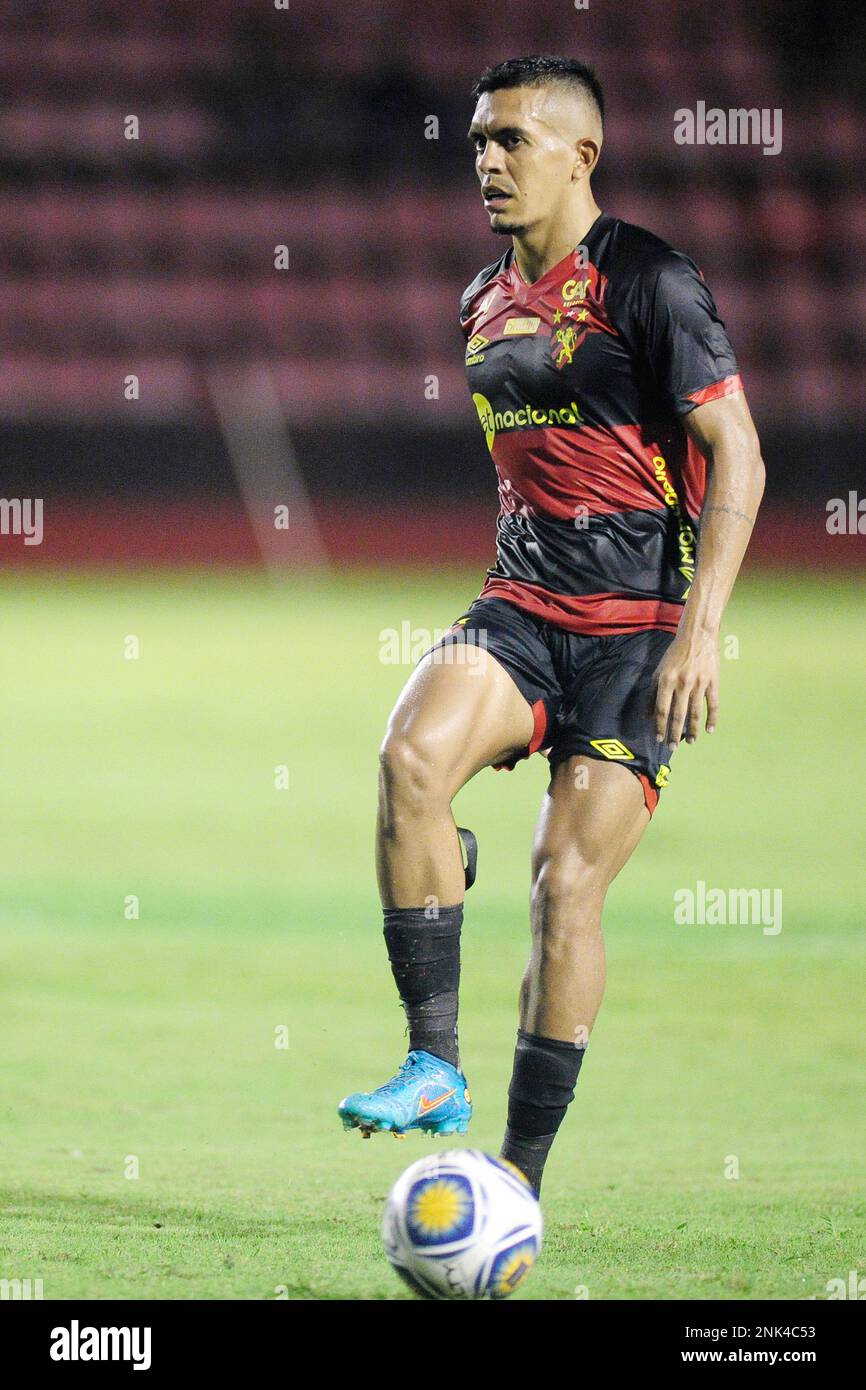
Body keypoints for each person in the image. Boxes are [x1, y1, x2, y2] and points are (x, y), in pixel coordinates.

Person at [338, 54, 765, 1194]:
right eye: (476, 140)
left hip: (637, 632)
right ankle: (433, 1061)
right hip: (521, 607)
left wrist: (703, 630)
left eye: (509, 139)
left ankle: (514, 1183)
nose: (484, 159)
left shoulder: (650, 281)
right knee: (408, 758)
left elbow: (738, 454)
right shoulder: (479, 302)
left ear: (579, 155)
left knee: (560, 888)